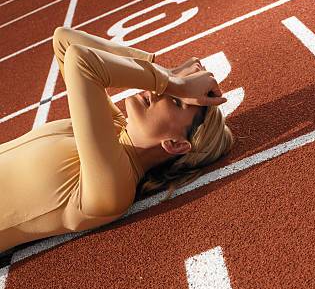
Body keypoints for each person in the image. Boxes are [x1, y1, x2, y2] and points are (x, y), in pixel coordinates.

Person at [0, 27, 235, 254]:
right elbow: (64, 40)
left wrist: (176, 83)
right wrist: (165, 71)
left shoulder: (115, 187)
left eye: (176, 102)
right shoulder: (113, 128)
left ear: (175, 144)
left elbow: (81, 60)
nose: (158, 91)